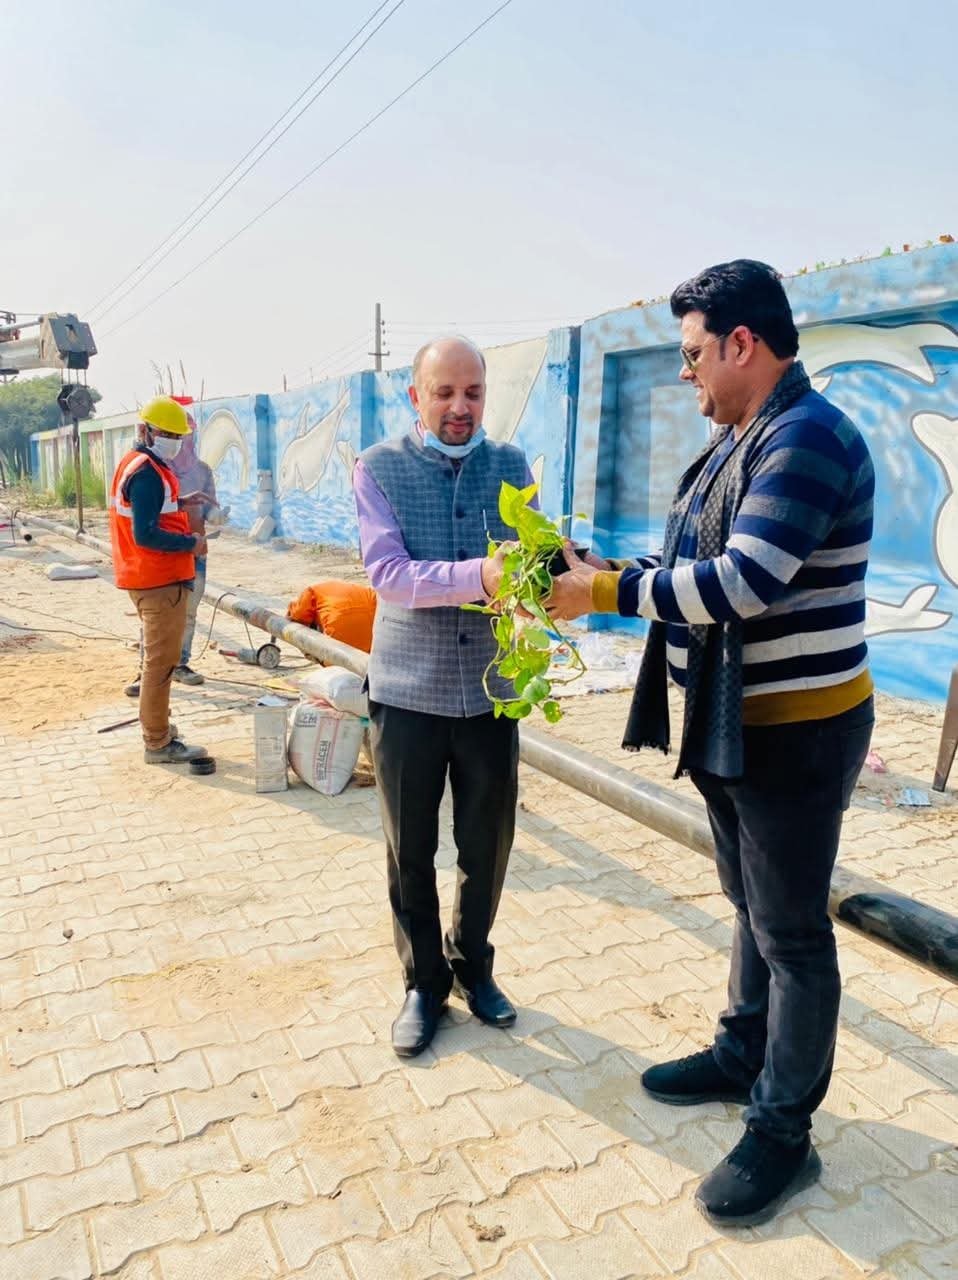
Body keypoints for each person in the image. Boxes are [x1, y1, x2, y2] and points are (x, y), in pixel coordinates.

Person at [545, 261, 875, 1227]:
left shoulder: (807, 438)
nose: (685, 372)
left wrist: (606, 594)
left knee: (793, 934)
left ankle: (783, 1132)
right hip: (739, 729)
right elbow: (695, 563)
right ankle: (742, 1054)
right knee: (751, 907)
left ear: (743, 343)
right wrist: (607, 568)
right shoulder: (743, 440)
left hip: (797, 736)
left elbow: (743, 582)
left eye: (693, 354)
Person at [353, 336, 531, 1058]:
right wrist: (480, 577)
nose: (461, 407)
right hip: (408, 693)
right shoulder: (379, 468)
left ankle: (473, 965)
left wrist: (563, 570)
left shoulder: (512, 467)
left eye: (473, 393)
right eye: (445, 393)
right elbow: (389, 574)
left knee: (487, 846)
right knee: (411, 849)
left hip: (492, 690)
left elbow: (532, 556)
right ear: (416, 396)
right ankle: (424, 983)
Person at [108, 396, 209, 765]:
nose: (174, 441)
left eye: (178, 436)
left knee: (159, 662)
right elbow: (146, 533)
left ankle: (159, 728)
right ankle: (158, 742)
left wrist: (181, 503)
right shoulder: (147, 472)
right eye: (167, 434)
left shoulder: (142, 464)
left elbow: (150, 510)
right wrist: (191, 543)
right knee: (161, 664)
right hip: (158, 580)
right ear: (145, 431)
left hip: (147, 577)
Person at [124, 406, 225, 695]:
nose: (179, 442)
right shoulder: (154, 468)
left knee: (187, 614)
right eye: (172, 434)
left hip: (194, 553)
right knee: (155, 618)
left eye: (184, 436)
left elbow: (208, 506)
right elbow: (147, 523)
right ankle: (147, 672)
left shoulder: (202, 471)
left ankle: (180, 664)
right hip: (165, 554)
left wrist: (215, 515)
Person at [286, 579, 377, 653]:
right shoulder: (363, 590)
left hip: (337, 648)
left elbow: (297, 615)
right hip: (373, 647)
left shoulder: (312, 591)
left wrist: (290, 610)